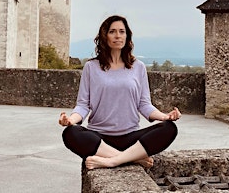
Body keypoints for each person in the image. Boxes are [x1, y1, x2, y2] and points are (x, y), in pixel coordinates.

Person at [59, 15, 181, 170]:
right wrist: (71, 120)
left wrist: (165, 116)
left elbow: (144, 105)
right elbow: (83, 105)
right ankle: (132, 159)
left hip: (130, 137)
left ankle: (112, 161)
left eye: (122, 31)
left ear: (127, 36)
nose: (118, 35)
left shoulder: (138, 67)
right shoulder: (91, 67)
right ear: (105, 36)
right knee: (70, 133)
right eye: (112, 31)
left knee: (169, 128)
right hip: (99, 138)